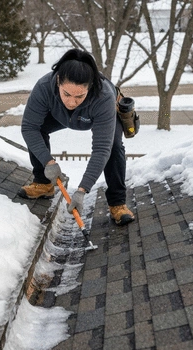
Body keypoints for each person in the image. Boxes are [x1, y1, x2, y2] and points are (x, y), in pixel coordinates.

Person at [18, 48, 135, 226]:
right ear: (58, 80)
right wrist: (48, 162)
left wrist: (82, 190)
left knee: (113, 147)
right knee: (37, 129)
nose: (72, 102)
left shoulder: (104, 97)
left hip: (94, 116)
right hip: (60, 116)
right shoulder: (43, 87)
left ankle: (117, 203)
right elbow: (29, 127)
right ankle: (43, 183)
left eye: (79, 96)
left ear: (90, 87)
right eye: (66, 94)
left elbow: (101, 149)